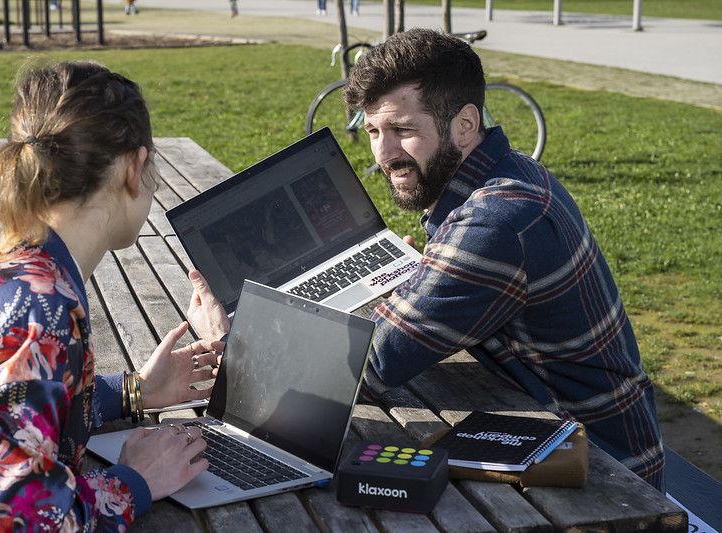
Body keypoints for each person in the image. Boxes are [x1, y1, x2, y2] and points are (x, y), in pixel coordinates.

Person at [188, 28, 665, 491]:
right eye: (373, 130)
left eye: (402, 129)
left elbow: (364, 372)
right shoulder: (504, 173)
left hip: (594, 467)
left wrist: (234, 344)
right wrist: (416, 286)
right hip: (546, 426)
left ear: (464, 124)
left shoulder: (495, 222)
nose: (383, 153)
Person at [0, 61, 223, 531]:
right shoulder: (43, 314)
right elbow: (18, 522)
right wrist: (135, 480)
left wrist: (136, 391)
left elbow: (7, 407)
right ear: (133, 167)